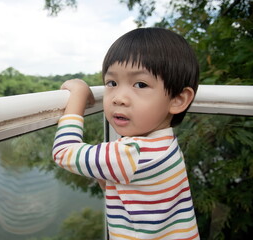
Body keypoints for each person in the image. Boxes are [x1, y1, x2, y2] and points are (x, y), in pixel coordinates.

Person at [52, 28, 200, 239]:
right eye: (112, 83)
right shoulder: (164, 144)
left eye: (140, 84)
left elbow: (63, 152)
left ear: (178, 100)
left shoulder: (134, 153)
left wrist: (78, 93)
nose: (118, 98)